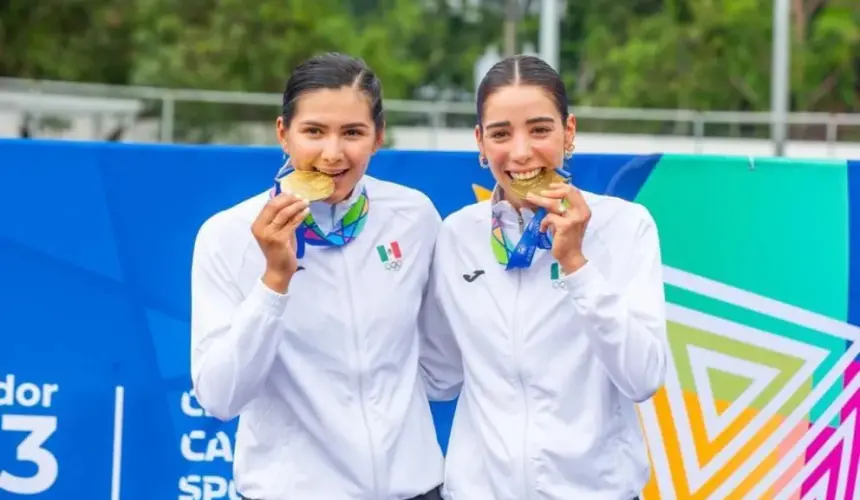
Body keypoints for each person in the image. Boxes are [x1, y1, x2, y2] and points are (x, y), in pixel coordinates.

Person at [190, 53, 445, 500]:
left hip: (414, 489)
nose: (332, 153)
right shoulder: (227, 234)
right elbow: (219, 396)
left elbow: (442, 369)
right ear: (283, 134)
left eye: (352, 133)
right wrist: (273, 283)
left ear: (378, 137)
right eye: (314, 131)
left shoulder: (414, 215)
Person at [419, 55, 669, 500]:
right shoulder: (458, 233)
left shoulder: (626, 226)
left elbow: (642, 376)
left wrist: (576, 263)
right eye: (500, 134)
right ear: (479, 142)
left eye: (539, 129)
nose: (520, 152)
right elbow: (440, 375)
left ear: (568, 132)